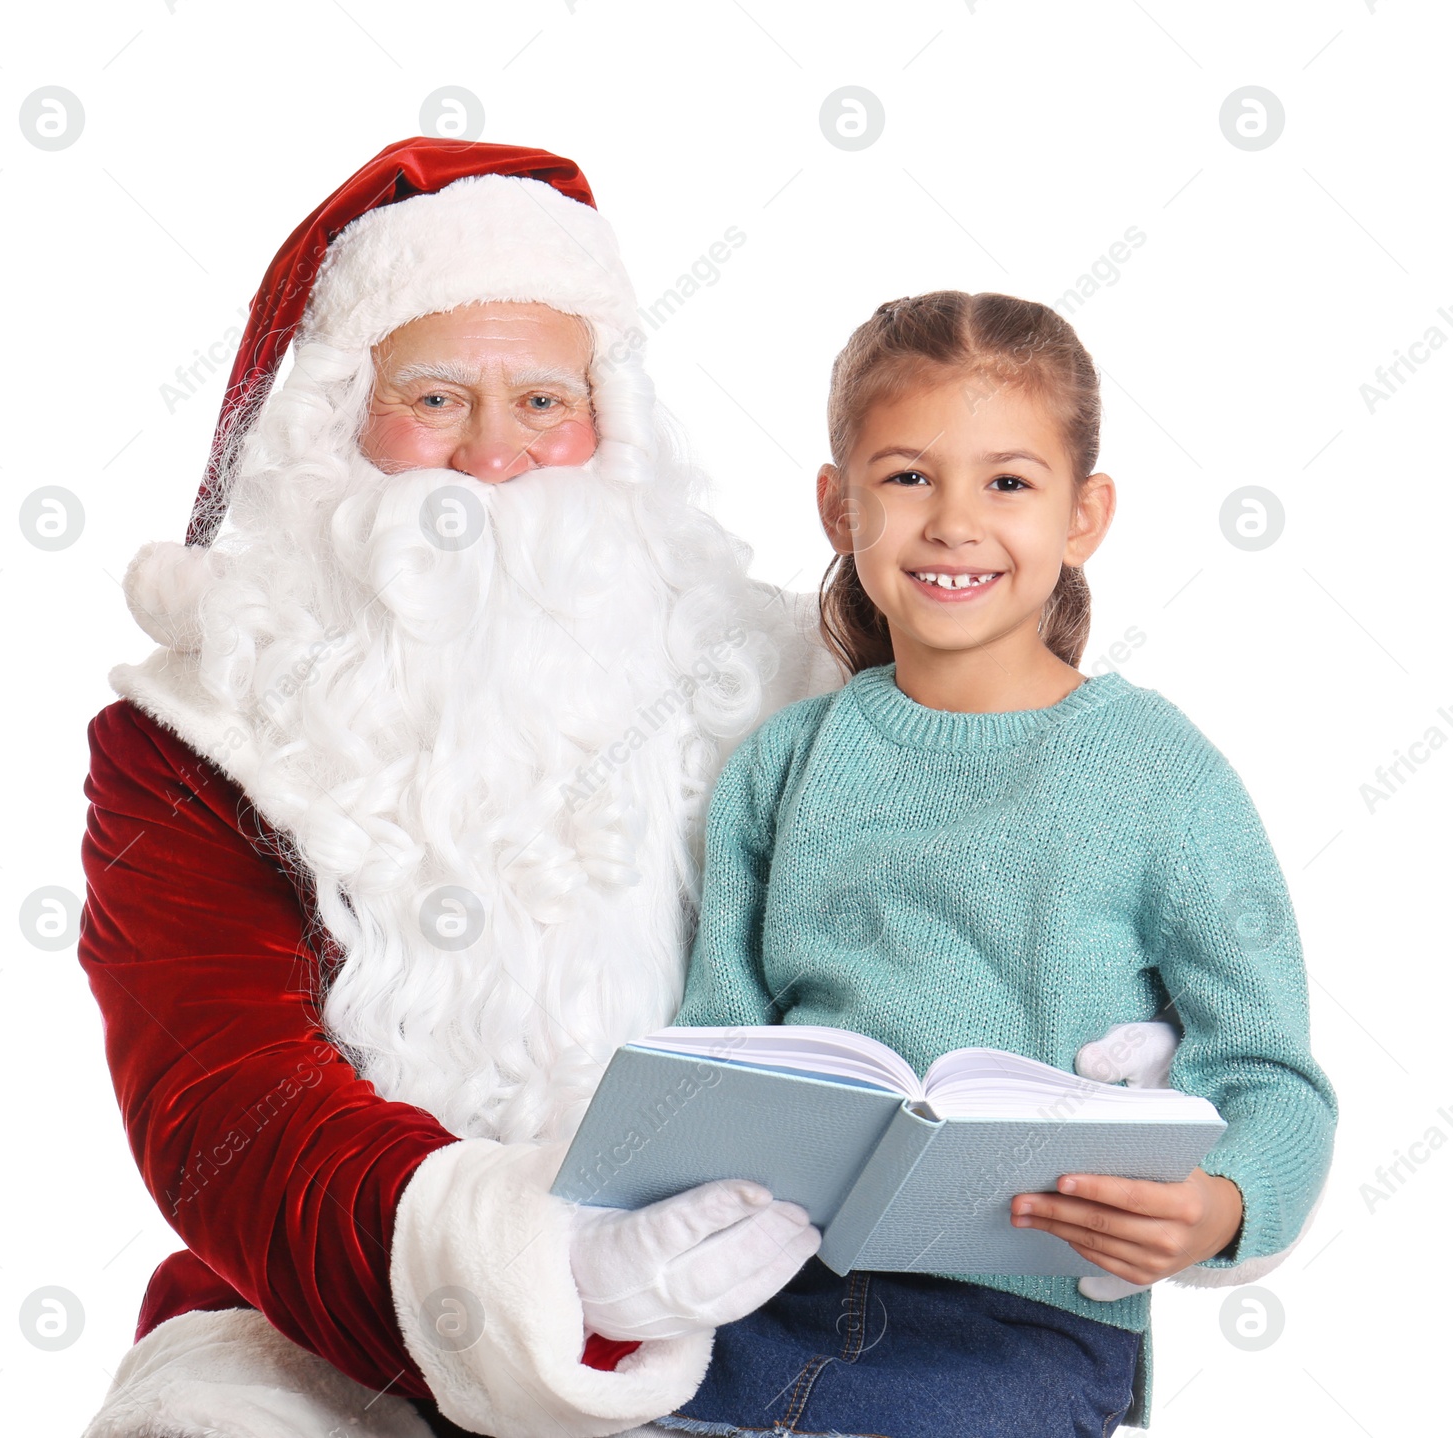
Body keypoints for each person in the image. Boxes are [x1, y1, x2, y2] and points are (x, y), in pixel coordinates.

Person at [78, 143, 1178, 1438]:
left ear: (612, 422)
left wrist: (1080, 1064)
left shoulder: (782, 676)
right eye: (434, 395)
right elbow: (230, 1104)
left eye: (546, 400)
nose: (495, 457)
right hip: (352, 1319)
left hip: (785, 1294)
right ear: (333, 425)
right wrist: (544, 1274)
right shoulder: (190, 744)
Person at [665, 291, 1338, 1437]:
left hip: (1021, 1322)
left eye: (1008, 483)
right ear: (839, 506)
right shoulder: (781, 765)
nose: (953, 523)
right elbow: (715, 1047)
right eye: (907, 477)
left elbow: (1270, 1069)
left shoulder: (1155, 771)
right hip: (766, 1293)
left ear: (1084, 515)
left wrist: (1221, 1206)